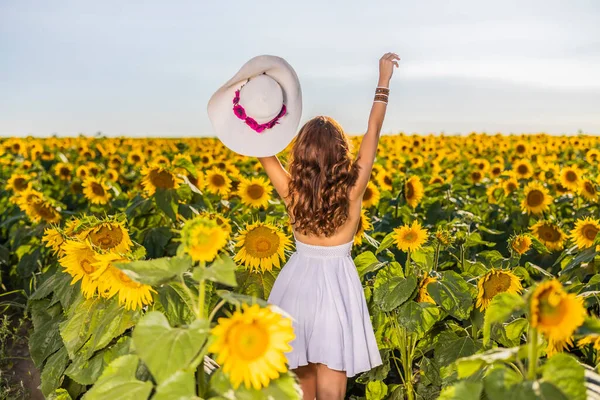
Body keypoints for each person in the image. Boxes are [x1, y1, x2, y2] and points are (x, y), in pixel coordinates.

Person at [259, 52, 400, 400]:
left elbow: (260, 148)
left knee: (299, 388)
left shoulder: (292, 192)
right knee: (332, 387)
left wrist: (256, 102)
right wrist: (383, 81)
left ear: (302, 154)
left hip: (296, 286)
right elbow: (374, 130)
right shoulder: (353, 189)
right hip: (337, 287)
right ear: (341, 153)